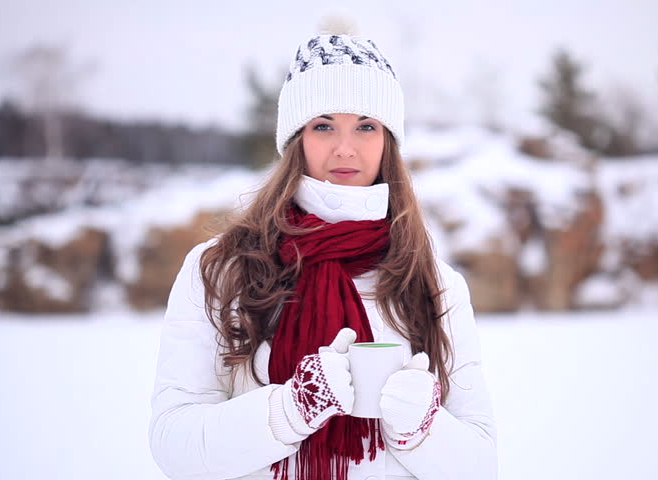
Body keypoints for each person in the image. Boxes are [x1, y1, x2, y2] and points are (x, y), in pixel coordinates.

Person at [148, 32, 498, 480]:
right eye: (324, 125)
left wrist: (424, 431)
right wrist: (290, 408)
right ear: (297, 138)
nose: (345, 148)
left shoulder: (432, 281)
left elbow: (481, 465)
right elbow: (174, 443)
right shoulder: (223, 269)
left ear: (388, 140)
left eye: (366, 125)